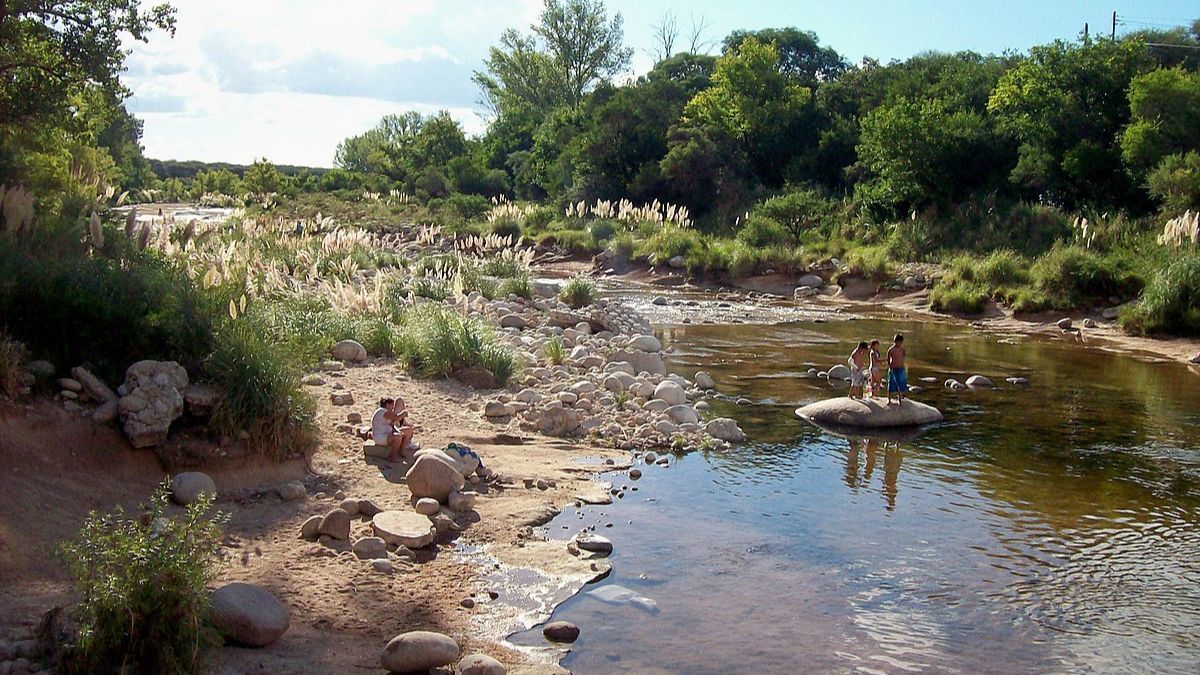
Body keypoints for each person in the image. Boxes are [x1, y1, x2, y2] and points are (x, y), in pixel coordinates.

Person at [371, 397, 415, 462]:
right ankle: (392, 456)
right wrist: (403, 413)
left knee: (408, 430)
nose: (393, 408)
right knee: (397, 437)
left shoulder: (386, 413)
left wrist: (398, 431)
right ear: (387, 405)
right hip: (380, 437)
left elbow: (392, 425)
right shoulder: (382, 412)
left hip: (388, 434)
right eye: (392, 405)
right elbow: (397, 418)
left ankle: (402, 451)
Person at [886, 333, 908, 404]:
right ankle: (889, 399)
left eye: (901, 342)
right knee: (891, 383)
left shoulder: (902, 349)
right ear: (894, 341)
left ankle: (899, 398)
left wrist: (904, 366)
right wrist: (890, 366)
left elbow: (903, 357)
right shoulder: (891, 350)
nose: (899, 343)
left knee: (901, 383)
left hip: (900, 368)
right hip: (893, 368)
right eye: (898, 342)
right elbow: (888, 359)